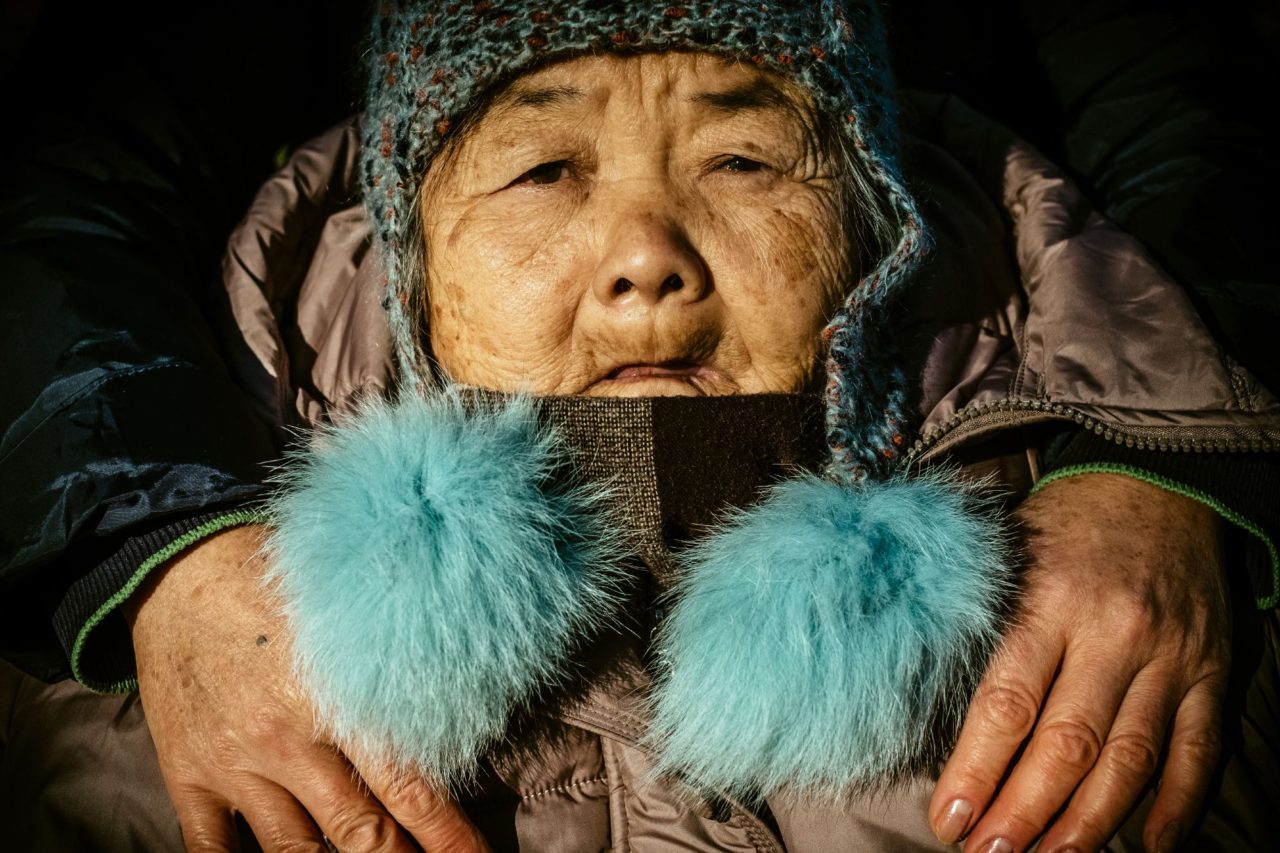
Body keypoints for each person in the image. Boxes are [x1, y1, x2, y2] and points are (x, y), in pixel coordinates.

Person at [3, 2, 1279, 851]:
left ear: (873, 227)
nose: (645, 258)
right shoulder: (183, 696)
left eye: (741, 162)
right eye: (542, 169)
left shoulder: (1143, 616)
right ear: (406, 260)